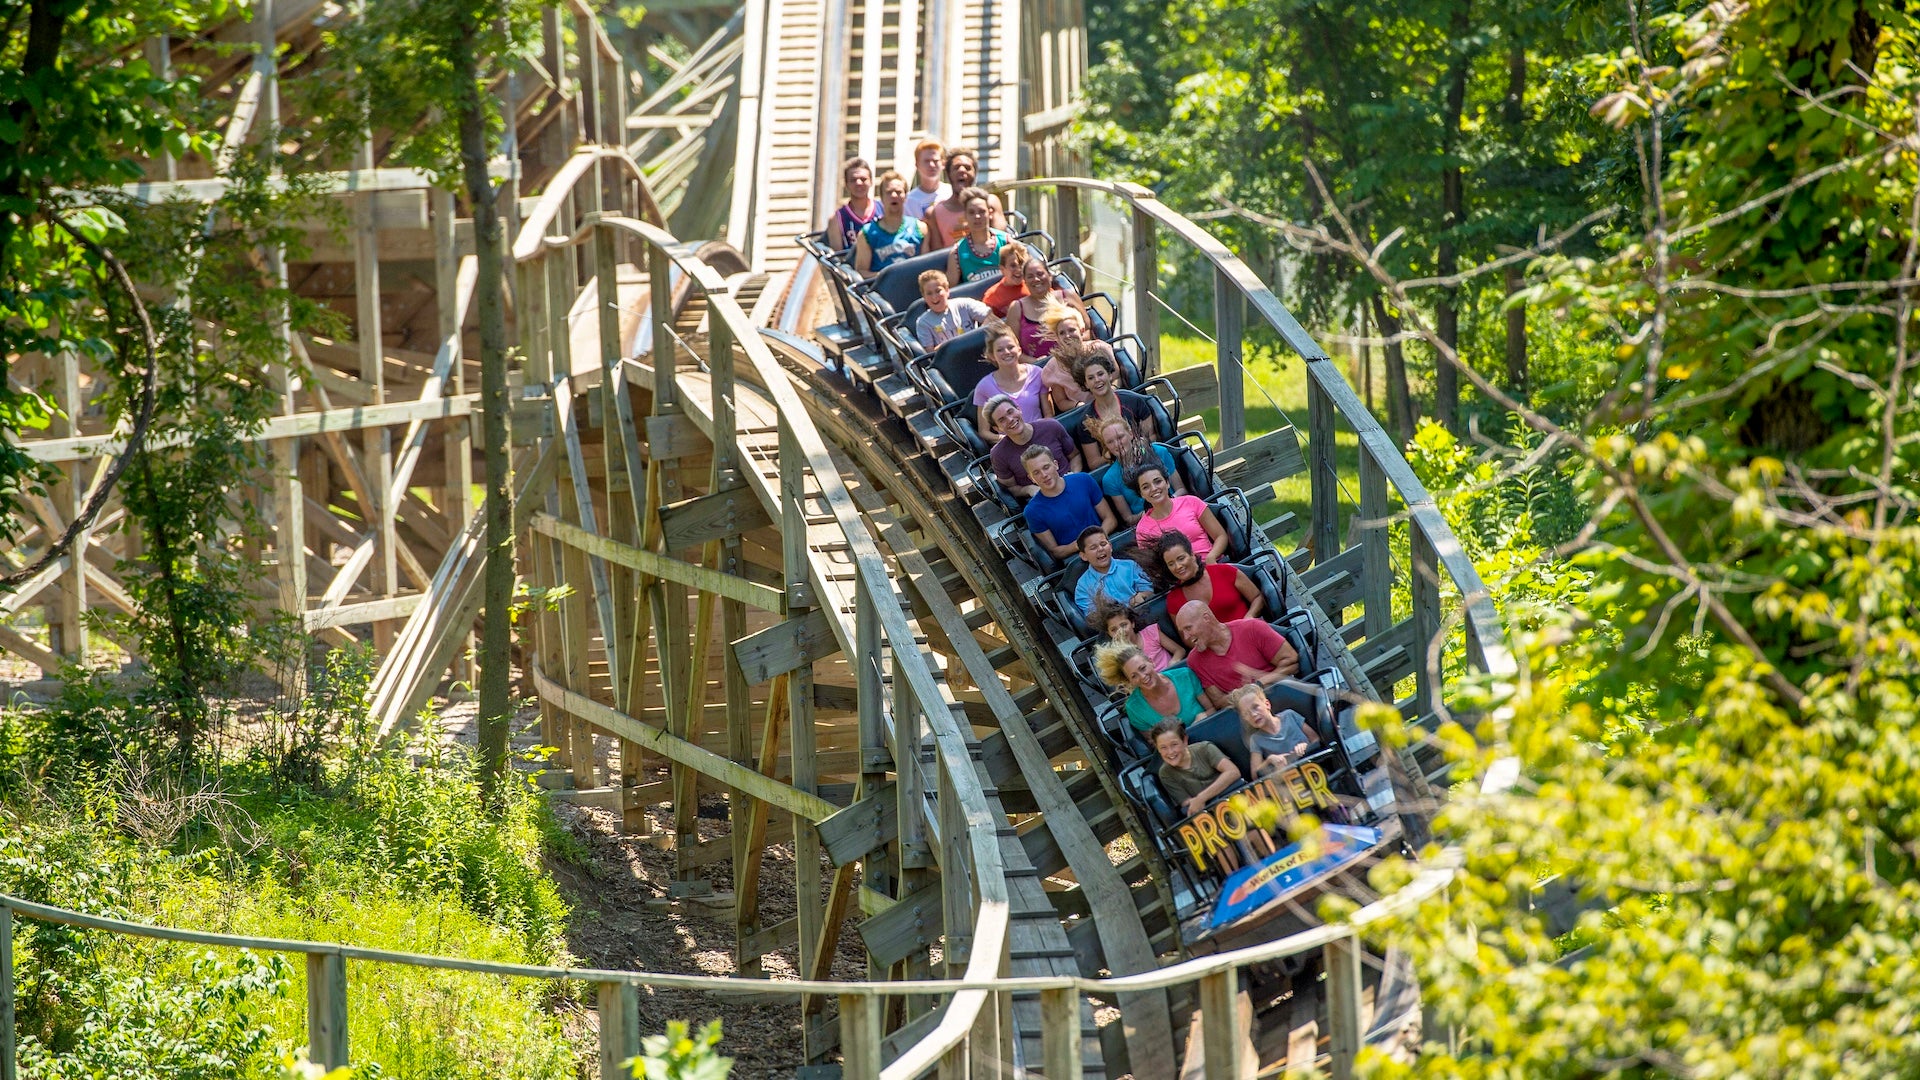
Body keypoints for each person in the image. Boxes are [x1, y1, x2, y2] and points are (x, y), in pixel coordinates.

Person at [1175, 605, 1301, 696]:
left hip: (1283, 694)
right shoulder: (1195, 661)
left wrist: (1258, 685)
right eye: (1183, 632)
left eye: (1188, 628)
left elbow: (1292, 661)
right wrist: (1247, 694)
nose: (1186, 637)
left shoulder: (1252, 628)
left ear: (1206, 618)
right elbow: (1219, 701)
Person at [1090, 416, 1184, 526]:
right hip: (1149, 522)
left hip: (1176, 509)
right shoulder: (1110, 478)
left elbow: (1181, 489)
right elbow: (1128, 518)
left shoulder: (1158, 451)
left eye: (1120, 437)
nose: (1117, 444)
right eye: (1110, 442)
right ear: (1105, 445)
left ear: (1130, 434)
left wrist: (1165, 504)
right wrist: (1152, 512)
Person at [1022, 447, 1114, 559]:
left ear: (1055, 465)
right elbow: (1055, 551)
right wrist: (1085, 545)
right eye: (1036, 473)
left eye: (1046, 467)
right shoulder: (1032, 511)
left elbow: (1110, 518)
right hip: (1075, 557)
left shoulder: (1084, 480)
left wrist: (1098, 540)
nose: (1044, 475)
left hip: (1106, 543)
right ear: (1031, 478)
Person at [1128, 461, 1229, 562]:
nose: (1154, 488)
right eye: (1146, 487)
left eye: (1157, 481)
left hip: (1212, 564)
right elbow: (1153, 564)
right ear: (1141, 494)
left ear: (1167, 483)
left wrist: (1211, 557)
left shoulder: (1191, 502)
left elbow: (1220, 536)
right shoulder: (1143, 529)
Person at [1098, 644, 1213, 733]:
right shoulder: (1134, 708)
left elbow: (1212, 709)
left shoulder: (1185, 675)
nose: (1142, 677)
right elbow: (1155, 745)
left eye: (1142, 668)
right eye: (1134, 676)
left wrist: (1205, 716)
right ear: (1130, 681)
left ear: (1151, 662)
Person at [1155, 532, 1262, 624]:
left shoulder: (1224, 571)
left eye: (1181, 558)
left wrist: (1249, 617)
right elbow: (1188, 640)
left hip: (1249, 630)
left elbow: (1257, 597)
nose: (1178, 566)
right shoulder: (1174, 600)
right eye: (1171, 564)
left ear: (1192, 554)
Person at [972, 321, 1049, 441]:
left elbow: (1049, 415)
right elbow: (984, 432)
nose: (1007, 352)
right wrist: (1010, 439)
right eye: (1000, 350)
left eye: (1010, 347)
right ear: (992, 356)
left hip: (1040, 435)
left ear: (1019, 350)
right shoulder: (983, 387)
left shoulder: (1037, 373)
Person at [1071, 351, 1152, 465]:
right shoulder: (1085, 422)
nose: (1097, 380)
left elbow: (1151, 436)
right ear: (1086, 384)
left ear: (1109, 375)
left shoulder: (1134, 401)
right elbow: (1094, 463)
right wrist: (1112, 455)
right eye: (1091, 378)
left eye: (1100, 374)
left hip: (1146, 458)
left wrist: (1138, 450)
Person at [986, 397, 1077, 496]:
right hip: (1041, 499)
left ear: (1019, 409)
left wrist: (1074, 476)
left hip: (1071, 485)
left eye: (1010, 412)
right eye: (1002, 419)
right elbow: (1010, 488)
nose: (1010, 419)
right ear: (997, 428)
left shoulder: (1051, 426)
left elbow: (1075, 456)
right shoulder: (998, 454)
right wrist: (1028, 489)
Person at [1149, 719, 1241, 818]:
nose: (1170, 752)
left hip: (1235, 798)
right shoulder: (1165, 773)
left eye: (1174, 745)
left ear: (1184, 740)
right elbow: (1187, 803)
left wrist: (1201, 798)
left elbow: (1233, 772)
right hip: (1210, 814)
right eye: (1163, 747)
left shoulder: (1205, 748)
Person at [924, 146, 1004, 249]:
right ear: (948, 174)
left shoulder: (990, 202)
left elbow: (1001, 244)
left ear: (975, 174)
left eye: (967, 168)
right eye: (956, 168)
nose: (962, 171)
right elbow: (936, 255)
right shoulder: (936, 212)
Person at [1232, 686, 1322, 777]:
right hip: (1291, 778)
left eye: (1255, 707)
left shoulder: (1289, 715)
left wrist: (1305, 745)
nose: (1253, 714)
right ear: (1245, 719)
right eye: (1246, 714)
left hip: (1314, 766)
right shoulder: (1256, 739)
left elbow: (1316, 739)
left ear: (1267, 704)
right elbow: (1255, 775)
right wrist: (1269, 760)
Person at [852, 171, 925, 278]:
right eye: (889, 192)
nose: (894, 196)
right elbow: (861, 273)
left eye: (899, 192)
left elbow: (927, 268)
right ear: (881, 197)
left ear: (905, 196)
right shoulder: (867, 234)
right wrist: (889, 277)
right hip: (882, 291)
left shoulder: (920, 228)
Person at [1012, 261, 1090, 360]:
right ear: (1025, 281)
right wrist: (1036, 363)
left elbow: (1088, 330)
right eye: (1030, 276)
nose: (1036, 279)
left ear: (1050, 276)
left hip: (1073, 360)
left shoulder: (1069, 296)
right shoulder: (1016, 308)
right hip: (1036, 367)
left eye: (1040, 274)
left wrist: (1070, 349)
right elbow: (1012, 347)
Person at [1071, 526, 1153, 615]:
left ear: (1110, 546)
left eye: (1103, 544)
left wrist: (1141, 596)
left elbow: (1149, 590)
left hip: (1143, 614)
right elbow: (1092, 617)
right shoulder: (1082, 587)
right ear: (1083, 556)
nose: (1100, 549)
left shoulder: (1130, 565)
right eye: (1093, 547)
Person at [1089, 595, 1186, 669]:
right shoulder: (1116, 655)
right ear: (1109, 633)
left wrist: (1173, 662)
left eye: (1123, 625)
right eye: (1114, 629)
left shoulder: (1151, 632)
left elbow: (1179, 650)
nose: (1121, 632)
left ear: (1132, 623)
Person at [944, 187, 1012, 286]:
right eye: (971, 212)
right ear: (965, 216)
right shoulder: (957, 253)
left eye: (982, 211)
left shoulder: (1006, 242)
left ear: (990, 213)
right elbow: (950, 290)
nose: (977, 217)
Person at [913, 270, 992, 352]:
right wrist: (954, 345)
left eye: (938, 291)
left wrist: (975, 337)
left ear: (947, 290)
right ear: (924, 296)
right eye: (929, 293)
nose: (934, 297)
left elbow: (990, 317)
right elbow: (930, 353)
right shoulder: (923, 322)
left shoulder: (964, 304)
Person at [824, 158, 877, 251]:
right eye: (853, 180)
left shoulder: (883, 210)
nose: (859, 183)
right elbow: (837, 259)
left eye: (863, 179)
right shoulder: (837, 219)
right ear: (846, 184)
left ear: (871, 181)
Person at [979, 240, 1031, 315]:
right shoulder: (991, 297)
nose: (1019, 270)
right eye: (1013, 266)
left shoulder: (1033, 284)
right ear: (1002, 269)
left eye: (1022, 264)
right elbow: (988, 323)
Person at [903, 137, 947, 220]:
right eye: (926, 161)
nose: (931, 165)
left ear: (943, 163)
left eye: (935, 161)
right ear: (917, 164)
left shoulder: (951, 193)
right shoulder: (908, 201)